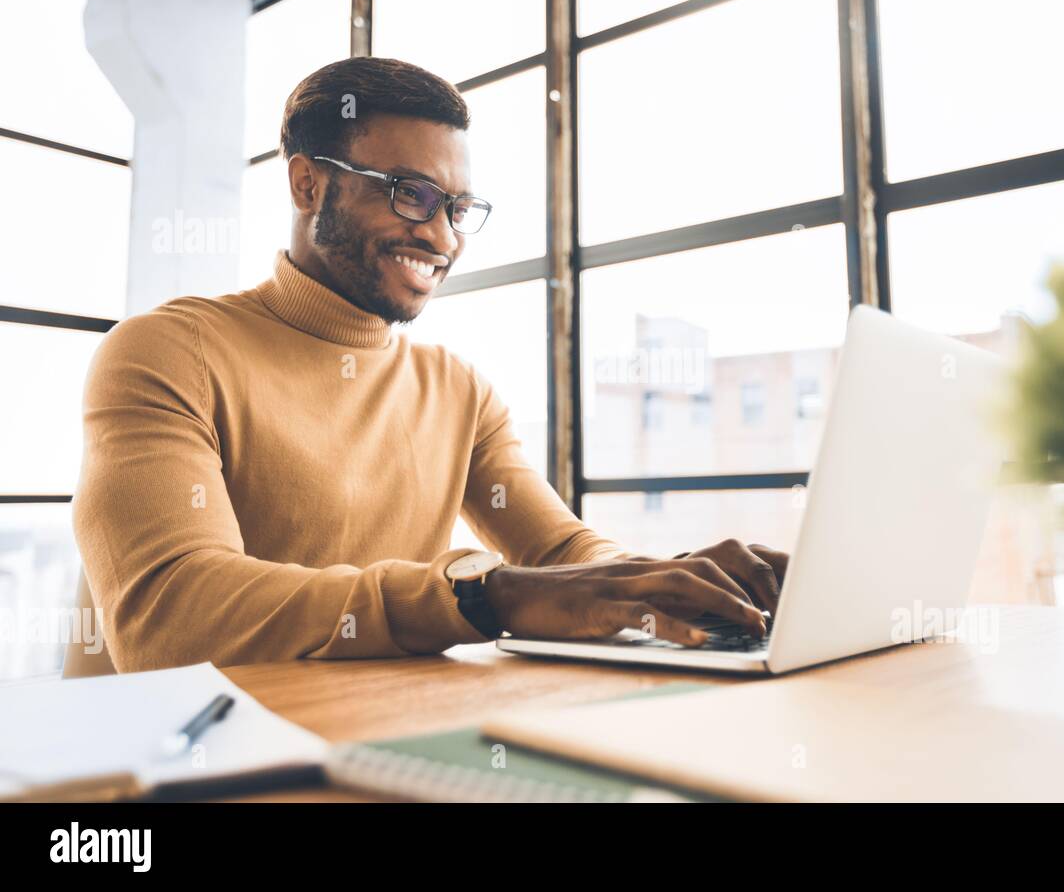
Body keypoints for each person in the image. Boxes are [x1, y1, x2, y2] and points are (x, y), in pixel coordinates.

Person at [73, 57, 783, 673]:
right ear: (307, 186)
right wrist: (477, 594)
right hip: (166, 771)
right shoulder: (167, 352)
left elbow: (561, 549)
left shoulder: (459, 390)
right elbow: (170, 619)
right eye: (408, 193)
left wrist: (674, 583)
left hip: (362, 742)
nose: (442, 237)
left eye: (457, 206)